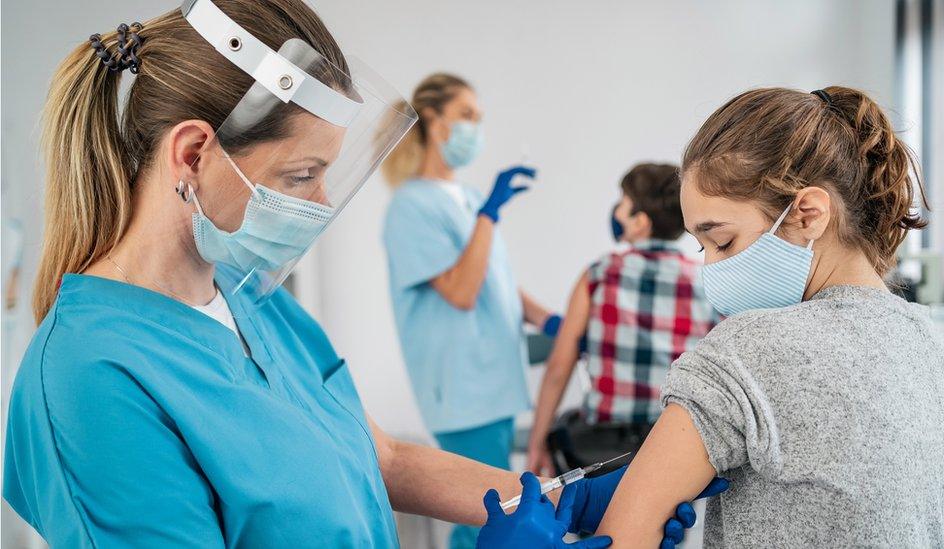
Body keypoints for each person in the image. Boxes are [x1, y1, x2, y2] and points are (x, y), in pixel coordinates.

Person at [1, 2, 706, 547]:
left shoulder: (254, 303)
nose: (321, 202)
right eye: (302, 174)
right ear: (191, 155)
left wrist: (559, 499)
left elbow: (386, 459)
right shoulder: (90, 379)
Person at [592, 86, 944, 546]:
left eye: (723, 241)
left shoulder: (746, 349)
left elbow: (623, 538)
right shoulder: (931, 344)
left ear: (808, 215)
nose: (711, 267)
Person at [381, 73, 561, 548]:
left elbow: (495, 282)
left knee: (495, 514)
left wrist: (548, 320)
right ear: (434, 122)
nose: (474, 127)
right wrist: (490, 213)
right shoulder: (411, 207)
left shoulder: (466, 199)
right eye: (466, 115)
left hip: (494, 384)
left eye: (478, 118)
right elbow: (461, 291)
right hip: (463, 389)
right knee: (486, 518)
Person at [526, 163, 718, 476]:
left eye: (623, 203)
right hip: (672, 441)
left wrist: (536, 445)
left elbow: (559, 368)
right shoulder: (705, 280)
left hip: (602, 447)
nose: (616, 212)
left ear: (640, 222)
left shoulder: (600, 273)